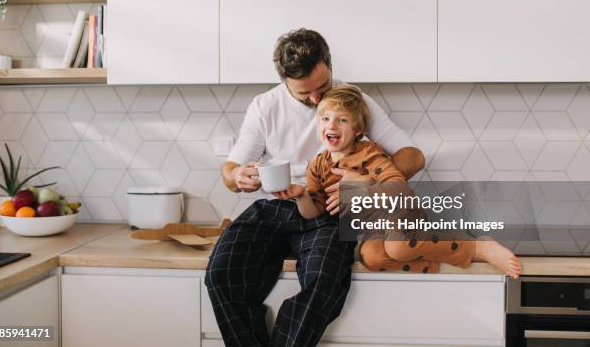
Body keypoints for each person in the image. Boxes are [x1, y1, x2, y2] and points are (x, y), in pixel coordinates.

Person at [204, 28, 425, 347]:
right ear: (284, 82)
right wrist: (238, 176)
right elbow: (229, 171)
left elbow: (413, 157)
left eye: (322, 87)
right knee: (220, 274)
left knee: (325, 282)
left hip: (327, 211)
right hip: (274, 208)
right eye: (304, 94)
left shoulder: (352, 100)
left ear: (330, 65)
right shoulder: (265, 106)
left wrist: (368, 185)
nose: (317, 100)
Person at [274, 85, 522, 278]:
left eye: (342, 120)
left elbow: (400, 190)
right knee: (371, 257)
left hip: (400, 214)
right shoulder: (318, 165)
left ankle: (479, 248)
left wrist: (362, 187)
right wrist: (301, 195)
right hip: (374, 229)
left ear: (358, 129)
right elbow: (313, 212)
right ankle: (439, 259)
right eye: (325, 119)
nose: (332, 125)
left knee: (398, 248)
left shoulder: (369, 153)